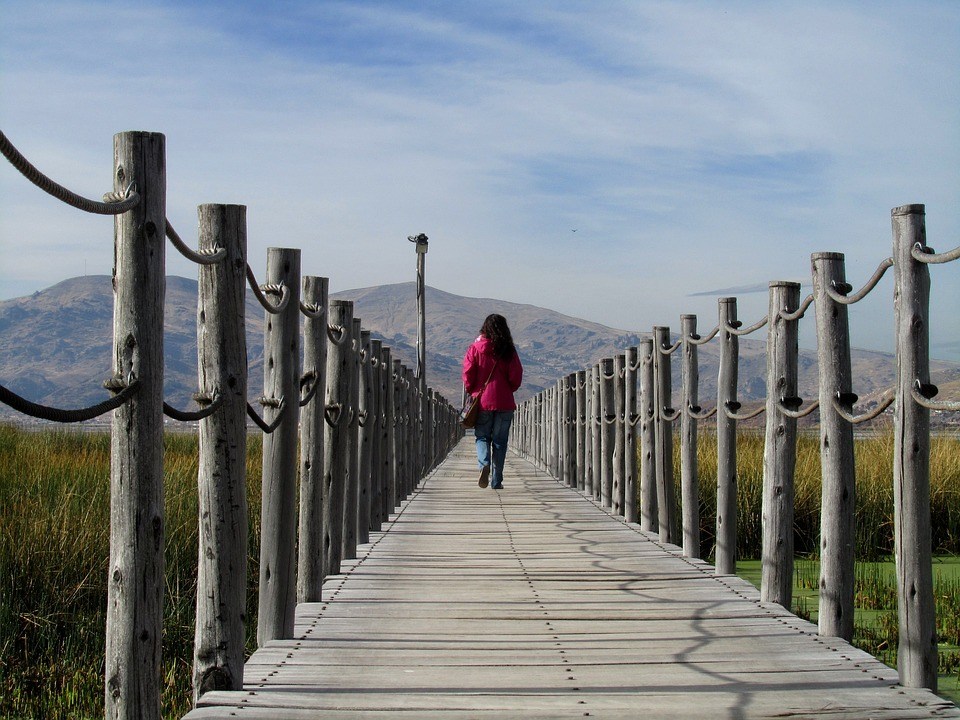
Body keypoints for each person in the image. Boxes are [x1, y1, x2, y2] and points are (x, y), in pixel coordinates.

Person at [462, 314, 523, 489]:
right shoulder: (509, 350)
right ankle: (497, 481)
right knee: (500, 441)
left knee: (482, 437)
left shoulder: (474, 349)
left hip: (482, 403)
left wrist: (472, 389)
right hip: (504, 403)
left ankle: (484, 465)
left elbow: (468, 374)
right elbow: (516, 376)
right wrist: (507, 389)